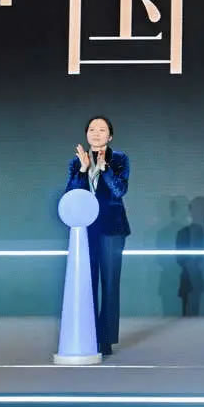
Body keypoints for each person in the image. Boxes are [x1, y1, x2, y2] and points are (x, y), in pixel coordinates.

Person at [66, 115, 130, 356]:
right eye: (92, 129)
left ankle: (106, 339)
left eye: (102, 130)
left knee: (110, 284)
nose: (96, 133)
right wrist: (83, 170)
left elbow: (120, 190)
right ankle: (88, 334)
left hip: (112, 229)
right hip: (85, 231)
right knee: (86, 283)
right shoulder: (77, 161)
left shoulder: (120, 159)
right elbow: (70, 195)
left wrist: (105, 170)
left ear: (110, 136)